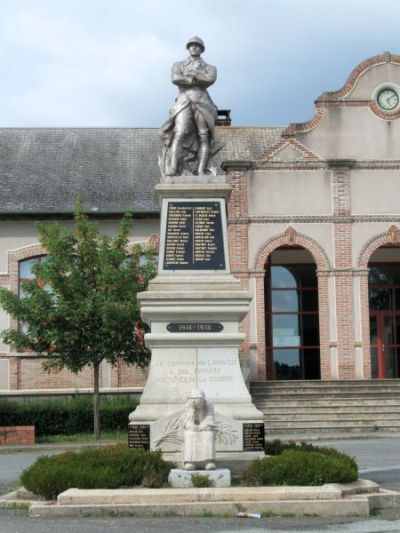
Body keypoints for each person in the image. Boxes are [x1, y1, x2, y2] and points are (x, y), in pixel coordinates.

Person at [160, 36, 219, 176]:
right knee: (179, 132)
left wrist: (191, 79)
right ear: (188, 48)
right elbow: (175, 78)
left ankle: (200, 170)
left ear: (201, 49)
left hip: (202, 101)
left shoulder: (210, 68)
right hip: (184, 100)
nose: (194, 47)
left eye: (197, 45)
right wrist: (195, 79)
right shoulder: (179, 65)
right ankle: (173, 167)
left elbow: (210, 79)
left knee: (204, 136)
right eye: (191, 45)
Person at [183, 389, 216, 470]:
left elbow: (209, 418)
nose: (198, 406)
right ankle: (190, 462)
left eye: (200, 403)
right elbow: (187, 422)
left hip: (204, 428)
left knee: (209, 435)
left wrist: (203, 425)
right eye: (196, 404)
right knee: (190, 434)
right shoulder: (188, 406)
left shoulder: (209, 405)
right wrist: (192, 423)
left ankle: (208, 461)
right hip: (192, 429)